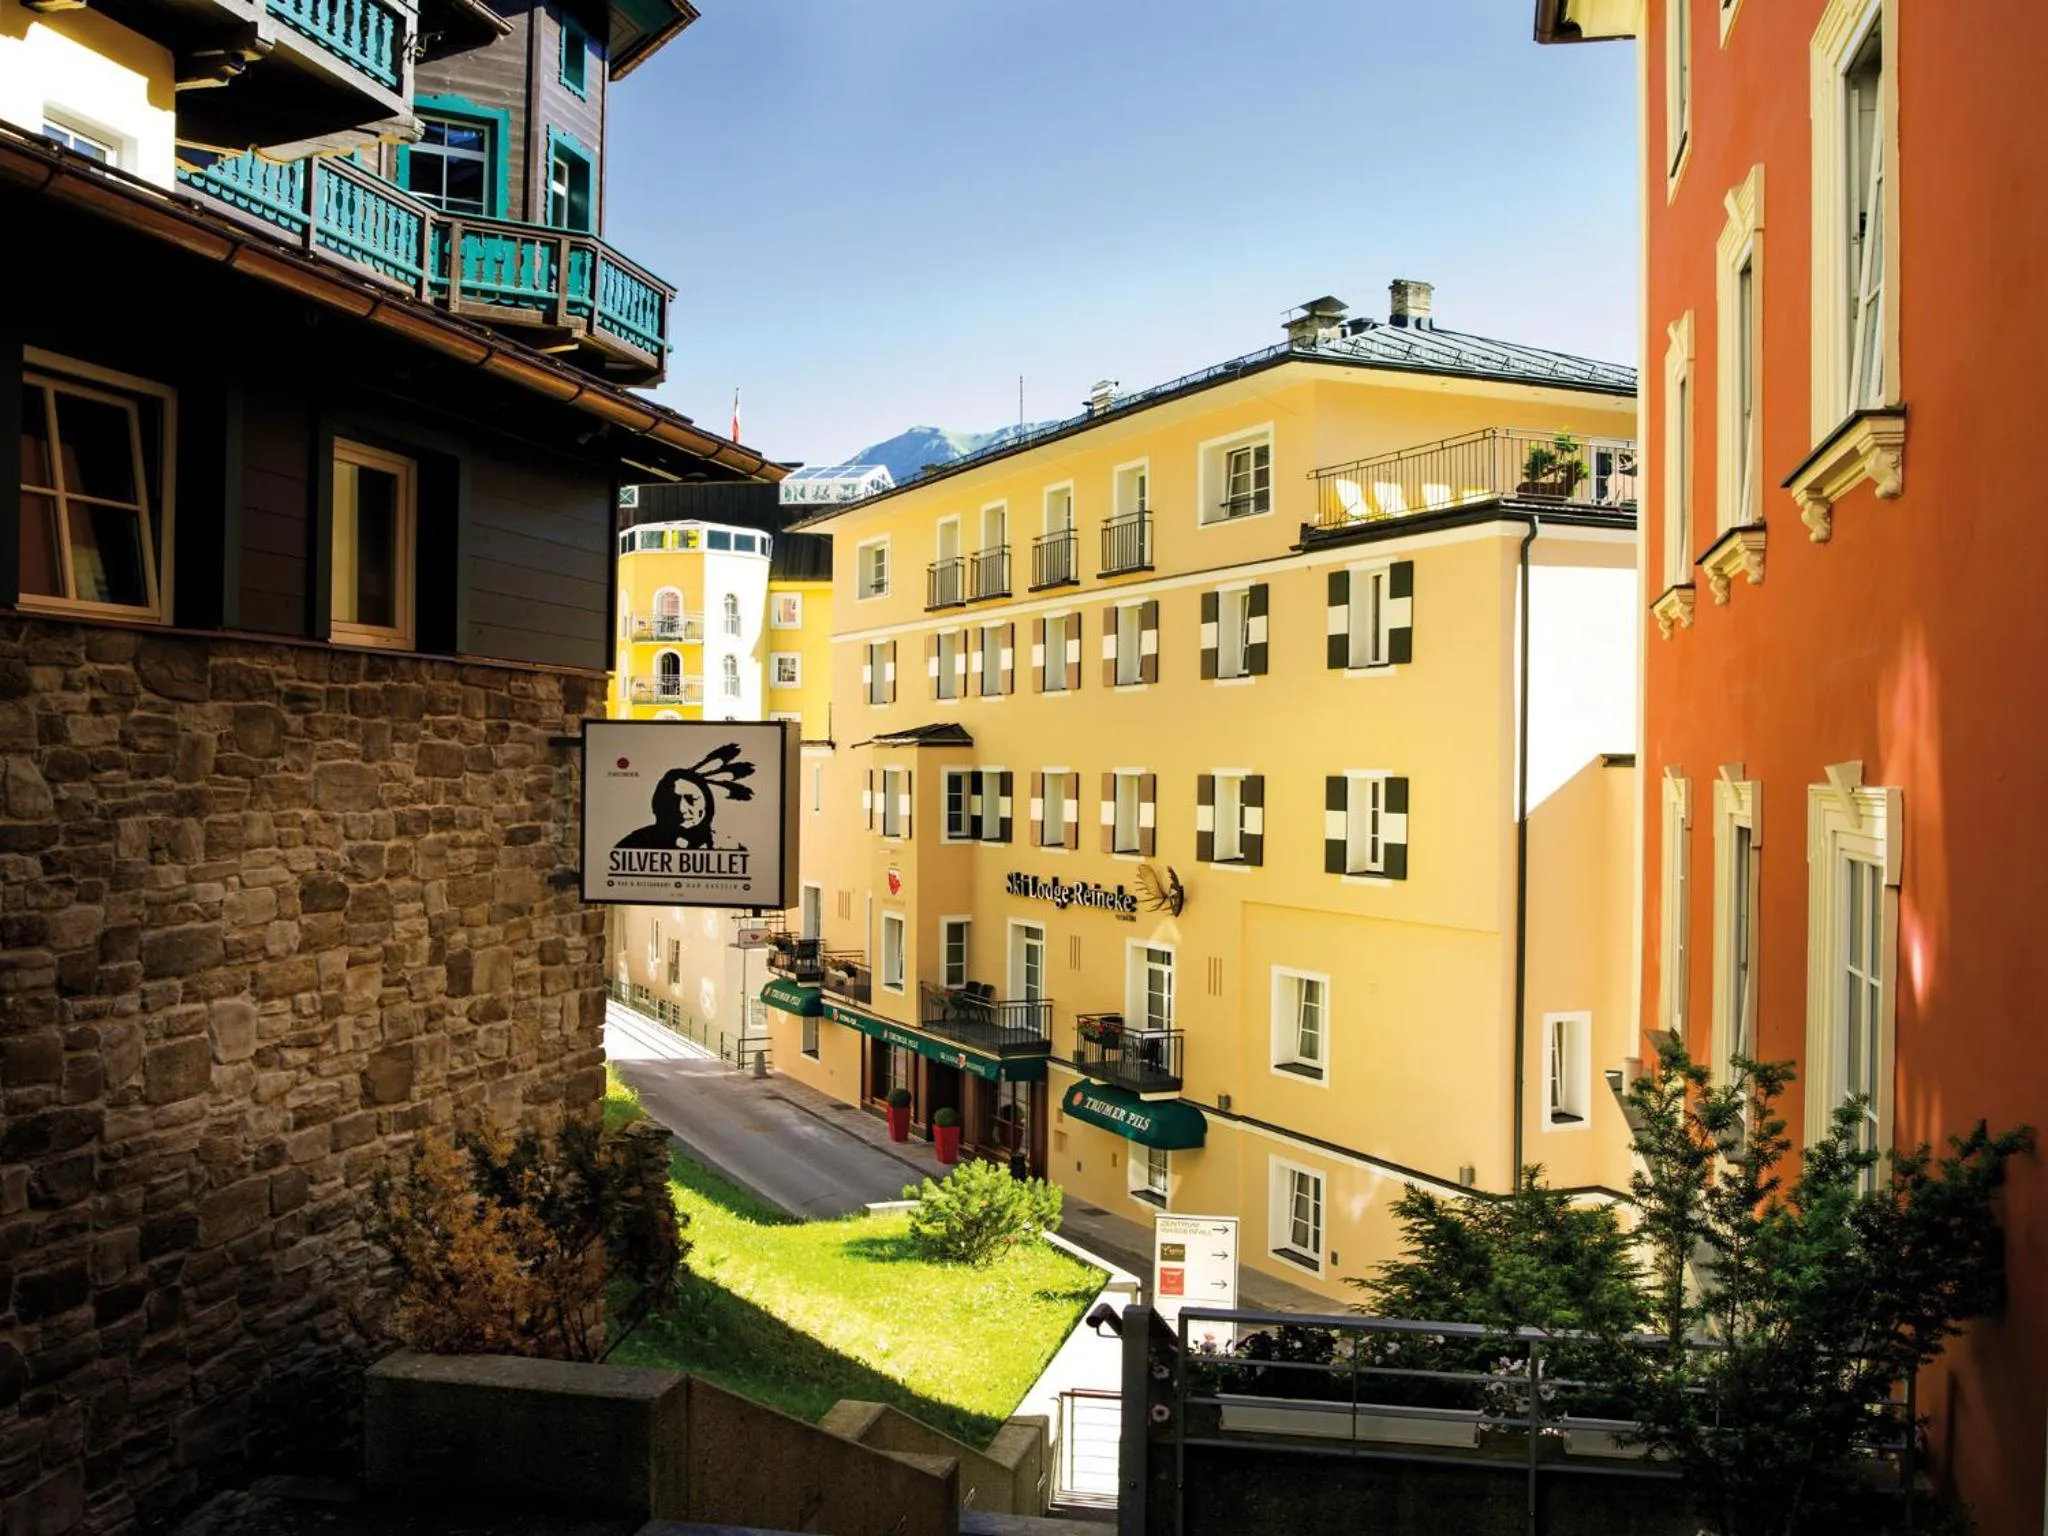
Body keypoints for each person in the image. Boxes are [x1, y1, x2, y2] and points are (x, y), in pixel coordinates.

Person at [613, 744, 755, 851]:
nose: (682, 809)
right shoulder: (637, 842)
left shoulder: (727, 846)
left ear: (707, 803)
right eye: (672, 800)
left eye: (691, 799)